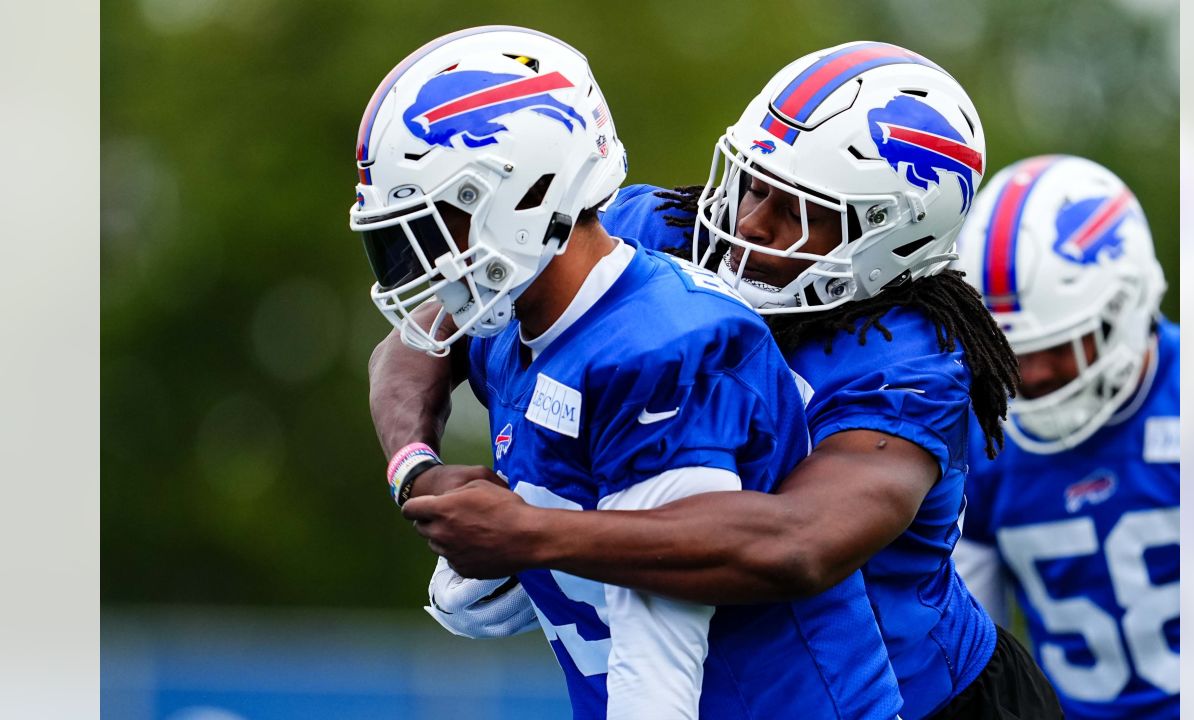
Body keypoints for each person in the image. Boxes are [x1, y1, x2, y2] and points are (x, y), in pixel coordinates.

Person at [387, 41, 1062, 719]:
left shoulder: (910, 364)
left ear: (893, 237)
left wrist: (540, 533)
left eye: (799, 211)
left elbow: (797, 544)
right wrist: (417, 466)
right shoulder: (649, 232)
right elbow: (427, 328)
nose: (748, 222)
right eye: (752, 181)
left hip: (925, 702)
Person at [950, 155, 1179, 719]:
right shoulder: (979, 440)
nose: (1032, 374)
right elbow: (966, 650)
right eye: (1011, 352)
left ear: (1125, 309)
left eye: (1059, 346)